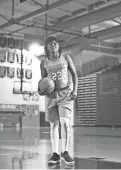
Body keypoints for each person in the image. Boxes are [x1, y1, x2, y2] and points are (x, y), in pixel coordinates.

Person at [38, 36, 78, 165]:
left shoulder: (65, 57)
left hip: (65, 93)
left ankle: (65, 152)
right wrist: (41, 90)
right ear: (47, 47)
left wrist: (75, 90)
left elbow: (74, 74)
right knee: (54, 125)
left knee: (65, 123)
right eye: (51, 43)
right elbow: (43, 81)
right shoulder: (43, 63)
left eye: (56, 43)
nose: (54, 44)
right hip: (51, 96)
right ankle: (55, 154)